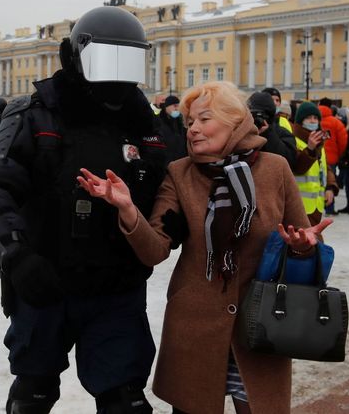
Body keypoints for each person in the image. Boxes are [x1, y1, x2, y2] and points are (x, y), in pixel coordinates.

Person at [77, 80, 331, 414]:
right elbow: (155, 249)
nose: (193, 130)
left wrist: (302, 246)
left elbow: (309, 244)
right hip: (195, 328)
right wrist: (127, 209)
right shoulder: (180, 174)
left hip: (261, 327)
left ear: (234, 122)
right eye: (189, 122)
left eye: (204, 119)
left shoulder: (275, 169)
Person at [0, 6, 168, 413]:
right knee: (33, 395)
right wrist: (17, 256)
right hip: (45, 283)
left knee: (125, 400)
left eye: (127, 61)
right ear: (77, 57)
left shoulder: (144, 126)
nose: (116, 75)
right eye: (106, 60)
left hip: (117, 291)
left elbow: (176, 192)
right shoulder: (34, 114)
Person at [291, 102, 338, 225]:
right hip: (299, 207)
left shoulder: (319, 142)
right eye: (308, 117)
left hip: (317, 205)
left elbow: (325, 167)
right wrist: (310, 149)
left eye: (315, 118)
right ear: (301, 120)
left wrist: (330, 187)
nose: (312, 121)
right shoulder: (294, 140)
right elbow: (298, 168)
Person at [247, 91, 296, 168]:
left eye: (260, 115)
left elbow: (289, 161)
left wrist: (268, 134)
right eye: (253, 115)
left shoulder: (283, 133)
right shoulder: (244, 133)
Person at [318, 99, 348, 215]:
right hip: (331, 158)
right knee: (330, 182)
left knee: (316, 182)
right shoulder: (336, 122)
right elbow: (343, 141)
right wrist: (338, 154)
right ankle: (330, 207)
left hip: (315, 155)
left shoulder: (314, 119)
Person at [155, 95, 188, 164]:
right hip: (165, 164)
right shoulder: (157, 122)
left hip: (181, 162)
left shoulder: (181, 122)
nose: (177, 108)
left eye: (179, 106)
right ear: (166, 107)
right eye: (175, 106)